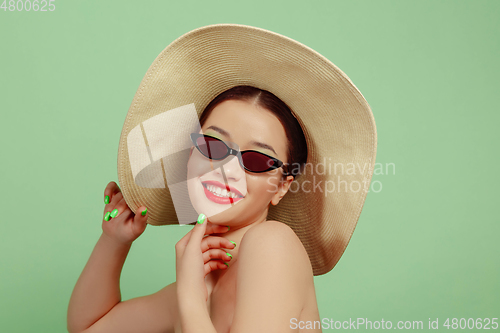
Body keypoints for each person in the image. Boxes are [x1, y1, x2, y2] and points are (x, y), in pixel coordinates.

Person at [67, 24, 377, 333]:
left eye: (255, 159)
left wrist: (189, 296)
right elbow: (88, 328)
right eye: (213, 146)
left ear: (282, 186)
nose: (226, 169)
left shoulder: (272, 244)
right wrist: (114, 241)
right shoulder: (200, 281)